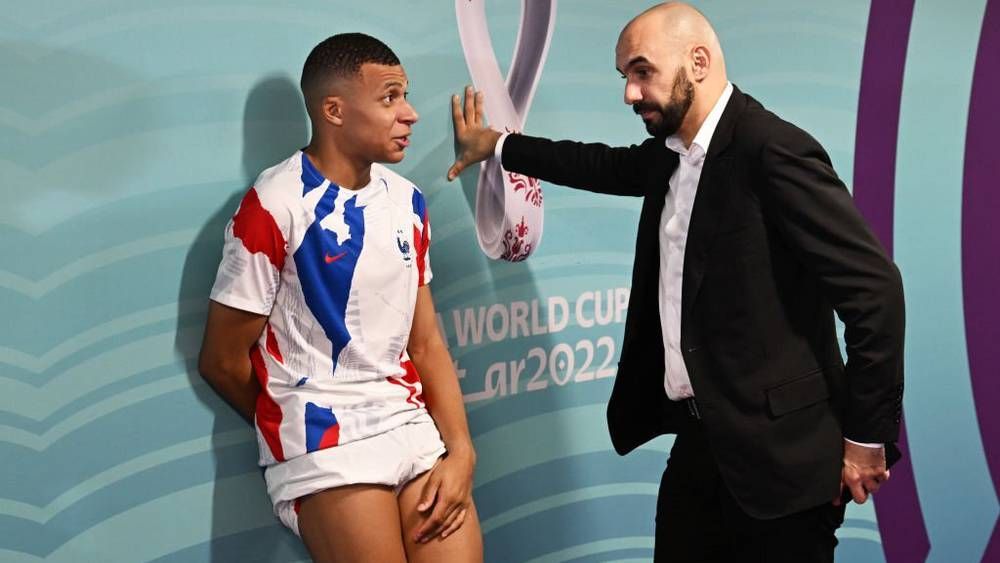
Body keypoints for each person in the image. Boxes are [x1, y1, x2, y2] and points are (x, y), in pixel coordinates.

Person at [447, 3, 904, 562]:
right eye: (625, 76)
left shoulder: (772, 149)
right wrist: (497, 145)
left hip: (786, 461)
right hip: (703, 446)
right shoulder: (670, 156)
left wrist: (865, 440)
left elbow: (875, 294)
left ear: (699, 62)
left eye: (642, 72)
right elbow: (599, 165)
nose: (629, 93)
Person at [198, 33, 483, 563]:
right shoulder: (274, 203)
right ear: (334, 110)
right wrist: (291, 419)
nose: (410, 113)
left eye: (405, 95)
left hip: (410, 428)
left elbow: (425, 344)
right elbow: (221, 359)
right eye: (390, 97)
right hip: (325, 445)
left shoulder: (407, 201)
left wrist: (462, 450)